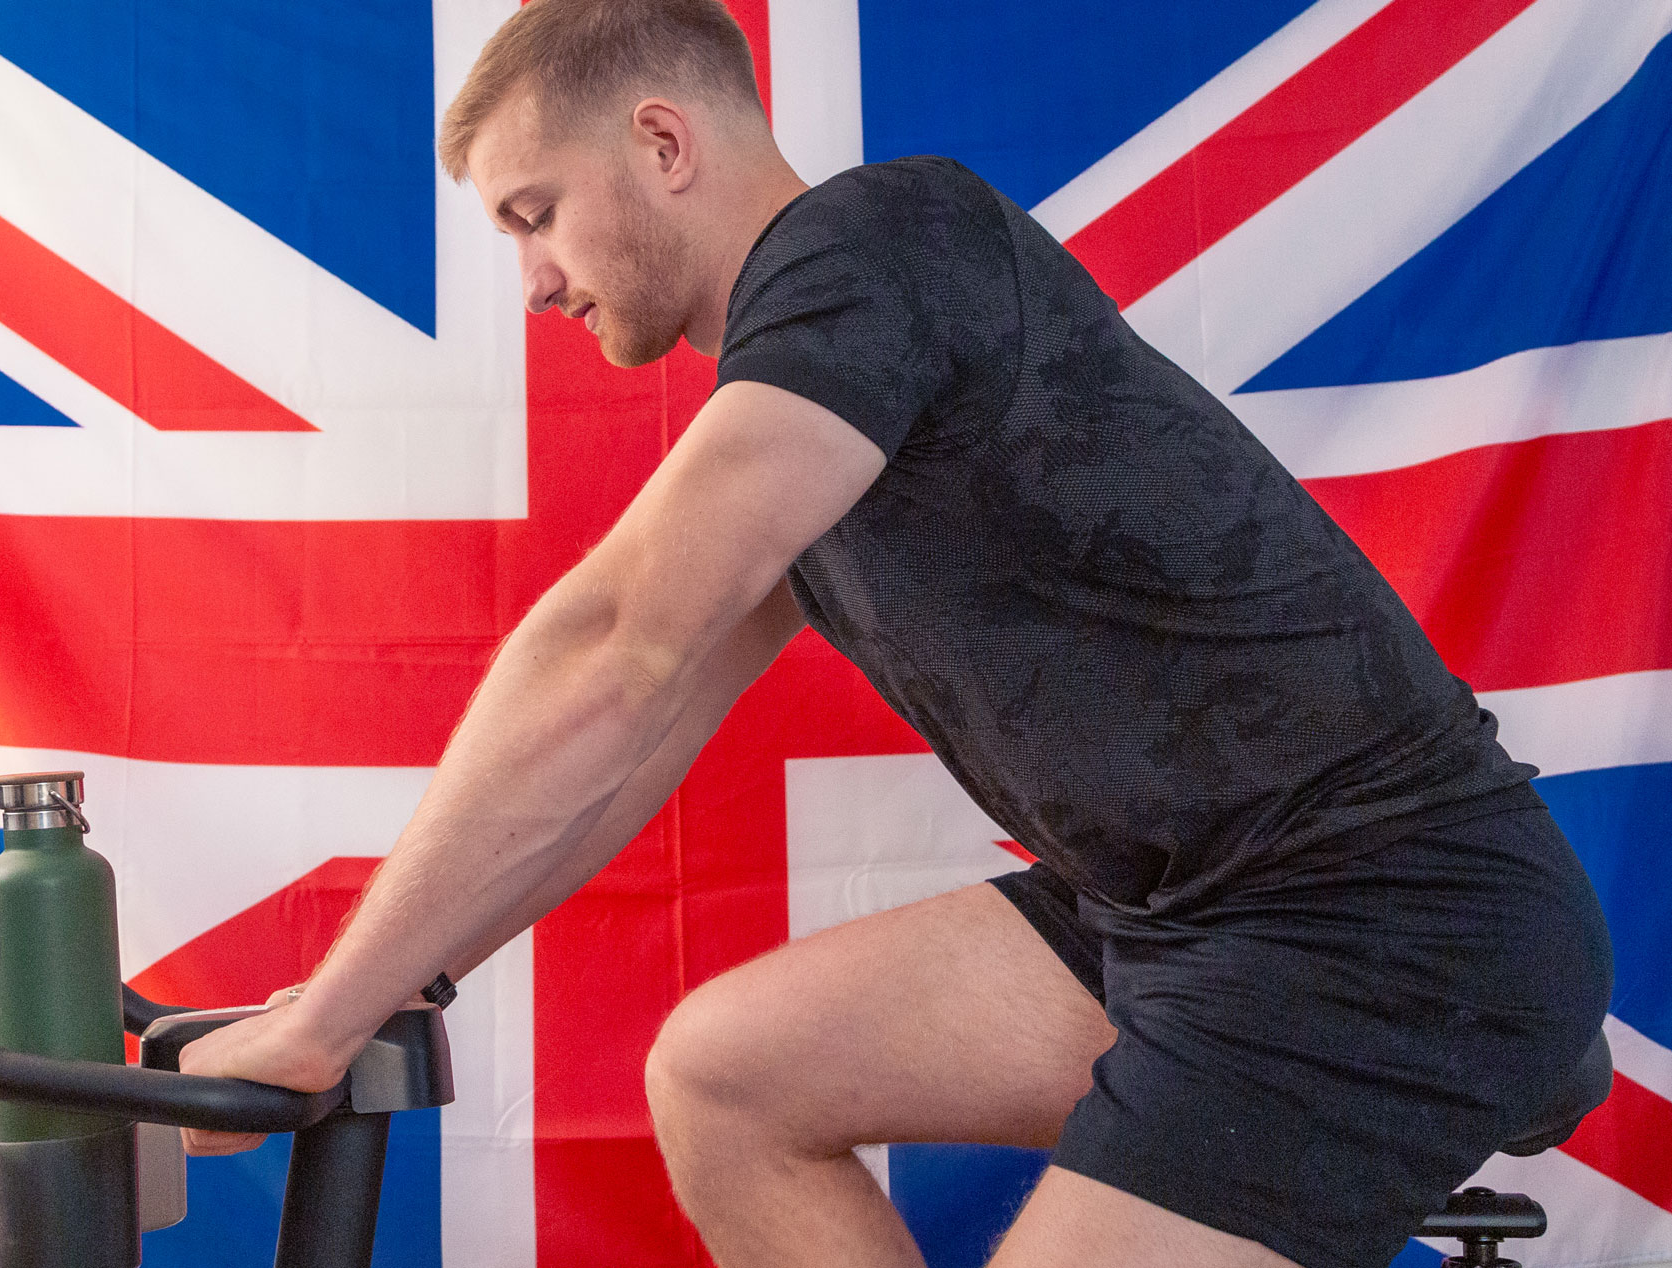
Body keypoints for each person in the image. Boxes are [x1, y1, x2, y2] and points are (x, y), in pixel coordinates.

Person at [177, 3, 1614, 1265]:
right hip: (1171, 918)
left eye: (531, 213)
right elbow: (633, 736)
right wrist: (370, 993)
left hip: (1384, 924)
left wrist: (318, 1025)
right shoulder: (830, 412)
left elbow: (614, 640)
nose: (534, 281)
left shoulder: (879, 238)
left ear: (663, 141)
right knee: (727, 1077)